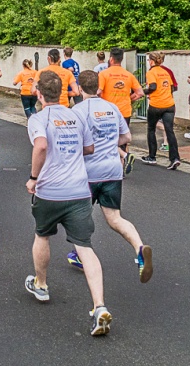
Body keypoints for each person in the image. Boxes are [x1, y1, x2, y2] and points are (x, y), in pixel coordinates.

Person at [24, 71, 111, 336]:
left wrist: (33, 178)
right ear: (62, 91)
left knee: (42, 235)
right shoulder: (76, 115)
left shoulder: (38, 118)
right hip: (79, 190)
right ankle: (99, 306)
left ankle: (41, 284)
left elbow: (40, 146)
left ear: (39, 93)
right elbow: (89, 149)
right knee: (84, 247)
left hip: (50, 191)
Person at [66, 71, 153, 283]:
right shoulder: (112, 108)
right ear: (98, 87)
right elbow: (127, 137)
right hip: (113, 170)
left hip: (87, 173)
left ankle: (81, 255)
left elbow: (73, 143)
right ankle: (140, 248)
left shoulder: (77, 111)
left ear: (79, 88)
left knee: (78, 217)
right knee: (115, 218)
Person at [98, 48, 142, 174]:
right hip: (124, 111)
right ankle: (121, 168)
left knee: (106, 139)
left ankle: (110, 167)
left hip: (108, 112)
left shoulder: (104, 74)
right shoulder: (128, 75)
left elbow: (99, 92)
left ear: (111, 59)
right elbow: (140, 92)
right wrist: (129, 98)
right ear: (121, 59)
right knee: (121, 140)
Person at [142, 52, 179, 168]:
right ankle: (175, 158)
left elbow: (152, 87)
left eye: (149, 60)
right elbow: (172, 87)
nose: (148, 62)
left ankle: (152, 156)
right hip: (169, 105)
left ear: (152, 61)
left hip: (156, 105)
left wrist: (142, 91)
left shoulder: (151, 72)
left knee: (151, 129)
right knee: (170, 131)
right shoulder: (166, 72)